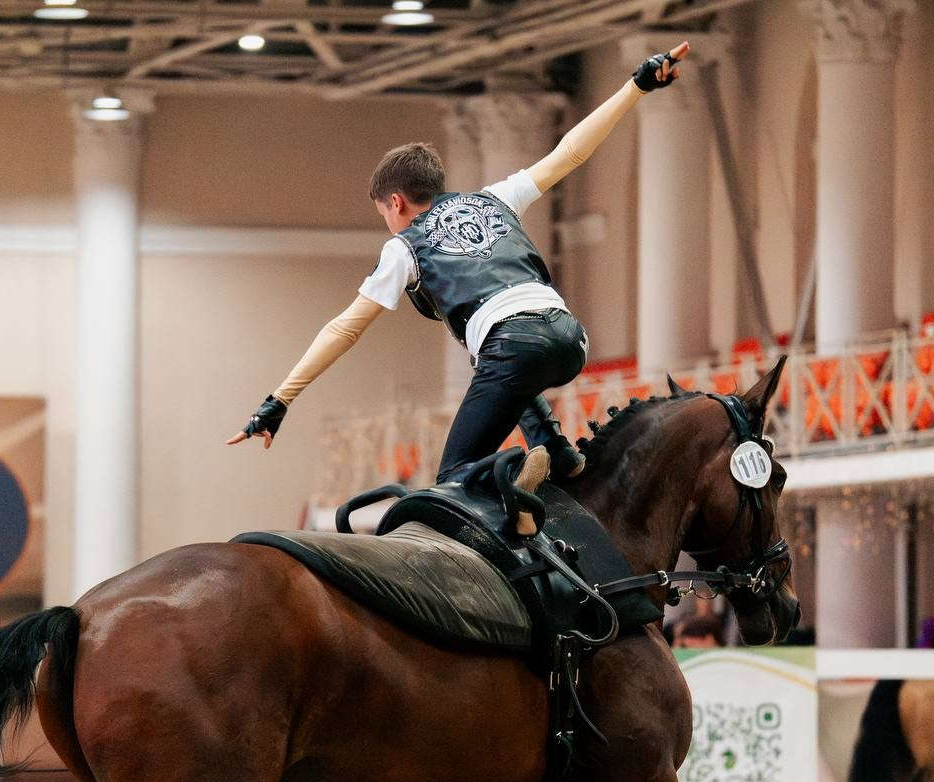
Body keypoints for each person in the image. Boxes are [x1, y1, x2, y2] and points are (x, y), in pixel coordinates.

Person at [229, 42, 691, 483]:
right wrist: (638, 85)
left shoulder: (404, 247)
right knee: (495, 369)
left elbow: (344, 329)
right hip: (569, 337)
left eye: (384, 216)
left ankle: (517, 490)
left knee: (454, 477)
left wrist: (280, 400)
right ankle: (558, 453)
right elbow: (569, 152)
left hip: (514, 347)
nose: (388, 225)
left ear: (396, 202)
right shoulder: (494, 199)